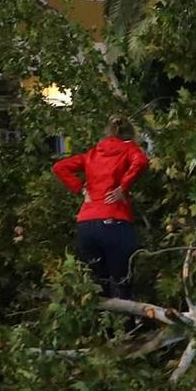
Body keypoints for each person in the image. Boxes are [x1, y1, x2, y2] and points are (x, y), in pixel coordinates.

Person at [51, 117, 148, 299]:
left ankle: (104, 325)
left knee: (98, 282)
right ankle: (127, 324)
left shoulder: (92, 154)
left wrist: (80, 189)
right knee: (122, 280)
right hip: (115, 220)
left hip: (86, 222)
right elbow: (141, 161)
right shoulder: (129, 149)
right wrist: (123, 187)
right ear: (130, 135)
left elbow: (59, 167)